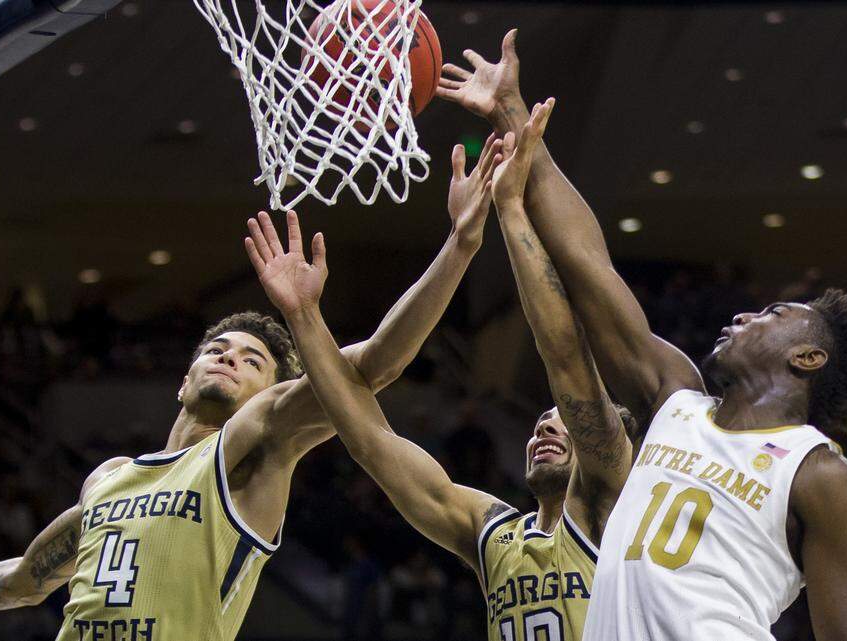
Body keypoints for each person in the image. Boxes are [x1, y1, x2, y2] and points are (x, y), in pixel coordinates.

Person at [0, 139, 501, 641]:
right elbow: (26, 578)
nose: (227, 357)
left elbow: (373, 366)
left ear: (270, 393)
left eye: (250, 360)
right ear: (181, 380)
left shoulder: (256, 446)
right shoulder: (109, 476)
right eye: (215, 350)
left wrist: (461, 244)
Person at [438, 29, 847, 641]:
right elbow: (589, 263)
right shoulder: (676, 396)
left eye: (773, 315)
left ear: (809, 358)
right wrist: (513, 114)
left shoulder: (821, 477)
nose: (744, 317)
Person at [245, 111, 632, 641]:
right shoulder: (492, 532)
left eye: (562, 418)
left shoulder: (613, 510)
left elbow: (565, 354)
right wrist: (304, 315)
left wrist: (512, 209)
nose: (544, 428)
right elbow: (370, 439)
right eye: (541, 419)